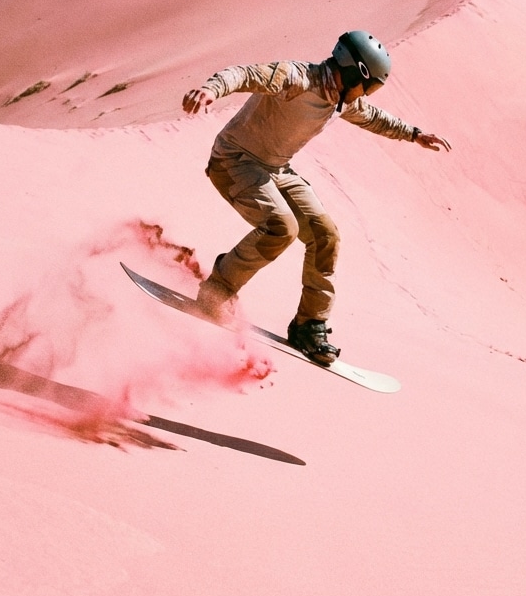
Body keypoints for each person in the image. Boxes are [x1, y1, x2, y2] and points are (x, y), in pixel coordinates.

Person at [182, 31, 451, 365]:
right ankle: (217, 290)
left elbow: (372, 117)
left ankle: (309, 325)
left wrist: (413, 134)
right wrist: (210, 89)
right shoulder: (297, 78)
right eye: (371, 85)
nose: (367, 94)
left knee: (326, 236)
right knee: (281, 227)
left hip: (277, 170)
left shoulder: (341, 99)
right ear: (356, 72)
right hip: (234, 161)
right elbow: (244, 74)